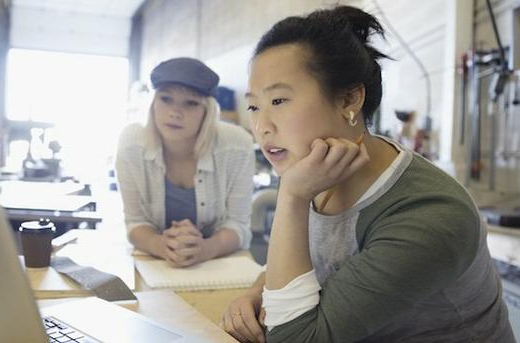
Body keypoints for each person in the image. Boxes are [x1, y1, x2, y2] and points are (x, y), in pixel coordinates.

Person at [220, 6, 513, 342]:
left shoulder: (429, 214)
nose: (261, 126)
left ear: (349, 98)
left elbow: (295, 339)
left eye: (280, 100)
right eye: (255, 106)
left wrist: (292, 196)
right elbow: (311, 263)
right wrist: (258, 291)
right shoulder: (319, 172)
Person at [116, 57, 254, 268]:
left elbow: (238, 224)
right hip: (157, 265)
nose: (175, 113)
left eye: (191, 103)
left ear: (207, 111)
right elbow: (135, 222)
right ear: (153, 103)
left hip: (217, 264)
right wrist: (159, 244)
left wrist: (206, 249)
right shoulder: (131, 143)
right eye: (166, 99)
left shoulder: (237, 144)